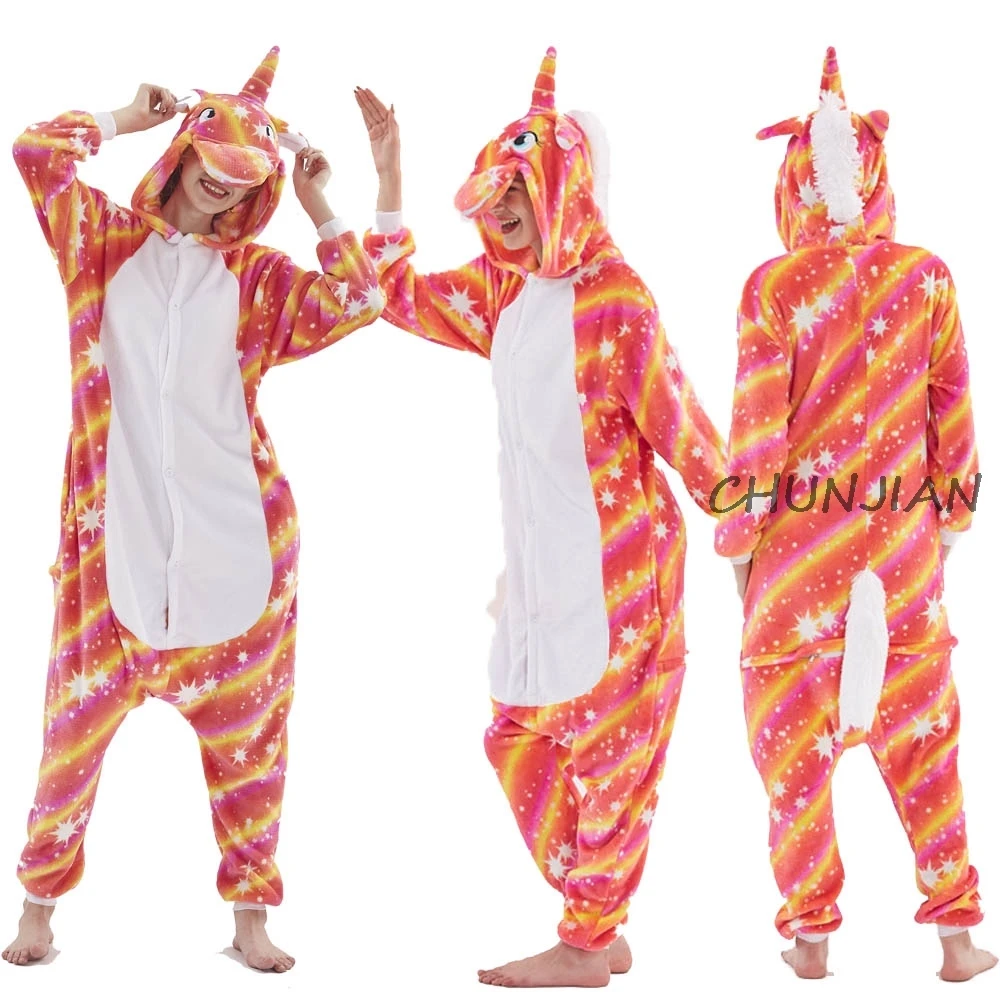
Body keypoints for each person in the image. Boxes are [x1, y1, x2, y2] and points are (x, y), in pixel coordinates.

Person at [2, 47, 383, 971]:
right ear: (183, 153)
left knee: (251, 751)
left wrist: (321, 203)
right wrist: (125, 118)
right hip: (111, 559)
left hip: (240, 548)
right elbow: (34, 153)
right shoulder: (99, 244)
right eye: (215, 163)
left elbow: (362, 299)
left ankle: (251, 920)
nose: (224, 185)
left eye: (246, 176)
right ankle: (38, 907)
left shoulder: (257, 280)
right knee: (69, 738)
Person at [356, 47, 726, 989]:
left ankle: (586, 942)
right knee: (514, 735)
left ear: (566, 184)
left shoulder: (616, 301)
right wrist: (389, 181)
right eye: (491, 200)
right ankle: (600, 916)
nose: (501, 213)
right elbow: (398, 298)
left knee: (610, 760)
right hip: (537, 576)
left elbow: (685, 431)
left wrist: (756, 528)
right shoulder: (505, 291)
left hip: (624, 574)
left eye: (517, 192)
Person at [714, 47, 995, 982]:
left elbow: (756, 439)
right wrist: (949, 525)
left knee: (794, 761)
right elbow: (954, 418)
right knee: (927, 744)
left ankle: (810, 941)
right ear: (877, 177)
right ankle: (958, 940)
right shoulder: (930, 278)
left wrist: (740, 550)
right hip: (904, 557)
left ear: (795, 182)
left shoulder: (773, 287)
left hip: (799, 564)